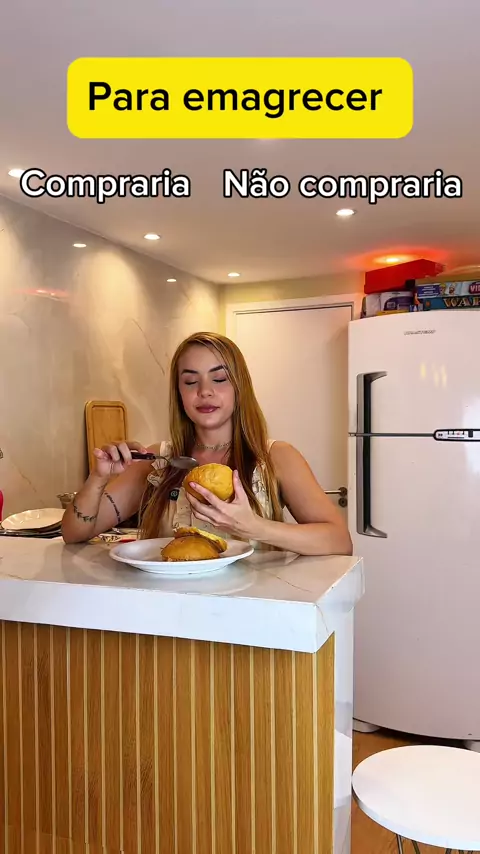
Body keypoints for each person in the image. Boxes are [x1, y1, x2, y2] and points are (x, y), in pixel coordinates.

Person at [62, 332, 352, 556]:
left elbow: (340, 541)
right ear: (179, 393)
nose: (205, 391)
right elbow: (74, 533)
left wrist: (255, 527)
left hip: (254, 609)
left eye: (220, 378)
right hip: (170, 607)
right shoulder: (158, 460)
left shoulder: (276, 457)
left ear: (240, 387)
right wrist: (99, 476)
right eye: (190, 382)